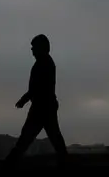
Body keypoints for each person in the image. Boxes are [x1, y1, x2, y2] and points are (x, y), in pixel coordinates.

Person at [5, 34, 69, 166]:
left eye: (34, 47)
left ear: (41, 48)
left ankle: (11, 162)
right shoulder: (44, 62)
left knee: (28, 136)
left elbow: (38, 87)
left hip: (42, 107)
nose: (32, 50)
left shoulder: (44, 63)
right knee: (51, 137)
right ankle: (65, 161)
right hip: (45, 106)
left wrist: (24, 99)